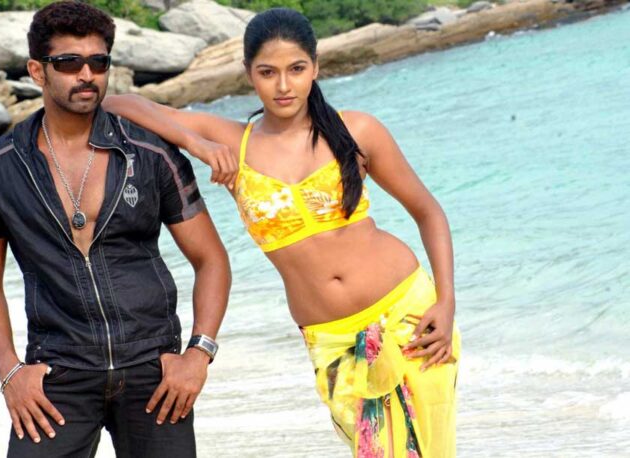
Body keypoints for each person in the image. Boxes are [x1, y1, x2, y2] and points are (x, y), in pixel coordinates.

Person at [102, 7, 460, 457]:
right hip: (331, 339)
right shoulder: (234, 142)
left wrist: (446, 301)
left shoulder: (356, 130)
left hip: (409, 316)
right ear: (248, 73)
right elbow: (117, 104)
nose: (284, 85)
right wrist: (197, 143)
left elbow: (428, 212)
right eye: (268, 72)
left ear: (316, 67)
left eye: (297, 69)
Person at [0, 2, 231, 457]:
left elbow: (211, 260)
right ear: (37, 70)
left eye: (98, 62)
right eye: (69, 63)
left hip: (155, 373)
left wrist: (198, 354)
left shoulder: (150, 153)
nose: (86, 75)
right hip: (58, 375)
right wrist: (10, 373)